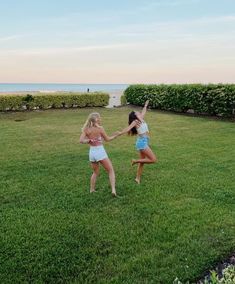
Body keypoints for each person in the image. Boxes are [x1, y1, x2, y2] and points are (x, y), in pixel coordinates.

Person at [79, 112, 119, 197]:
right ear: (96, 120)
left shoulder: (86, 129)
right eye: (99, 118)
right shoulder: (100, 129)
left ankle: (92, 189)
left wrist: (88, 141)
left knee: (95, 172)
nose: (100, 119)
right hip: (100, 151)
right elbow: (107, 139)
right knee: (111, 170)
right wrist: (115, 136)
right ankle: (113, 190)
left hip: (92, 153)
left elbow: (81, 140)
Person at [118, 100, 157, 184]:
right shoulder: (135, 122)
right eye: (137, 112)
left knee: (142, 161)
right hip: (142, 143)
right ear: (135, 116)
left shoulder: (141, 119)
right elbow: (128, 128)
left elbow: (143, 111)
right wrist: (120, 133)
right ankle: (135, 161)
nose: (139, 112)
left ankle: (137, 178)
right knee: (153, 159)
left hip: (144, 141)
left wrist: (145, 105)